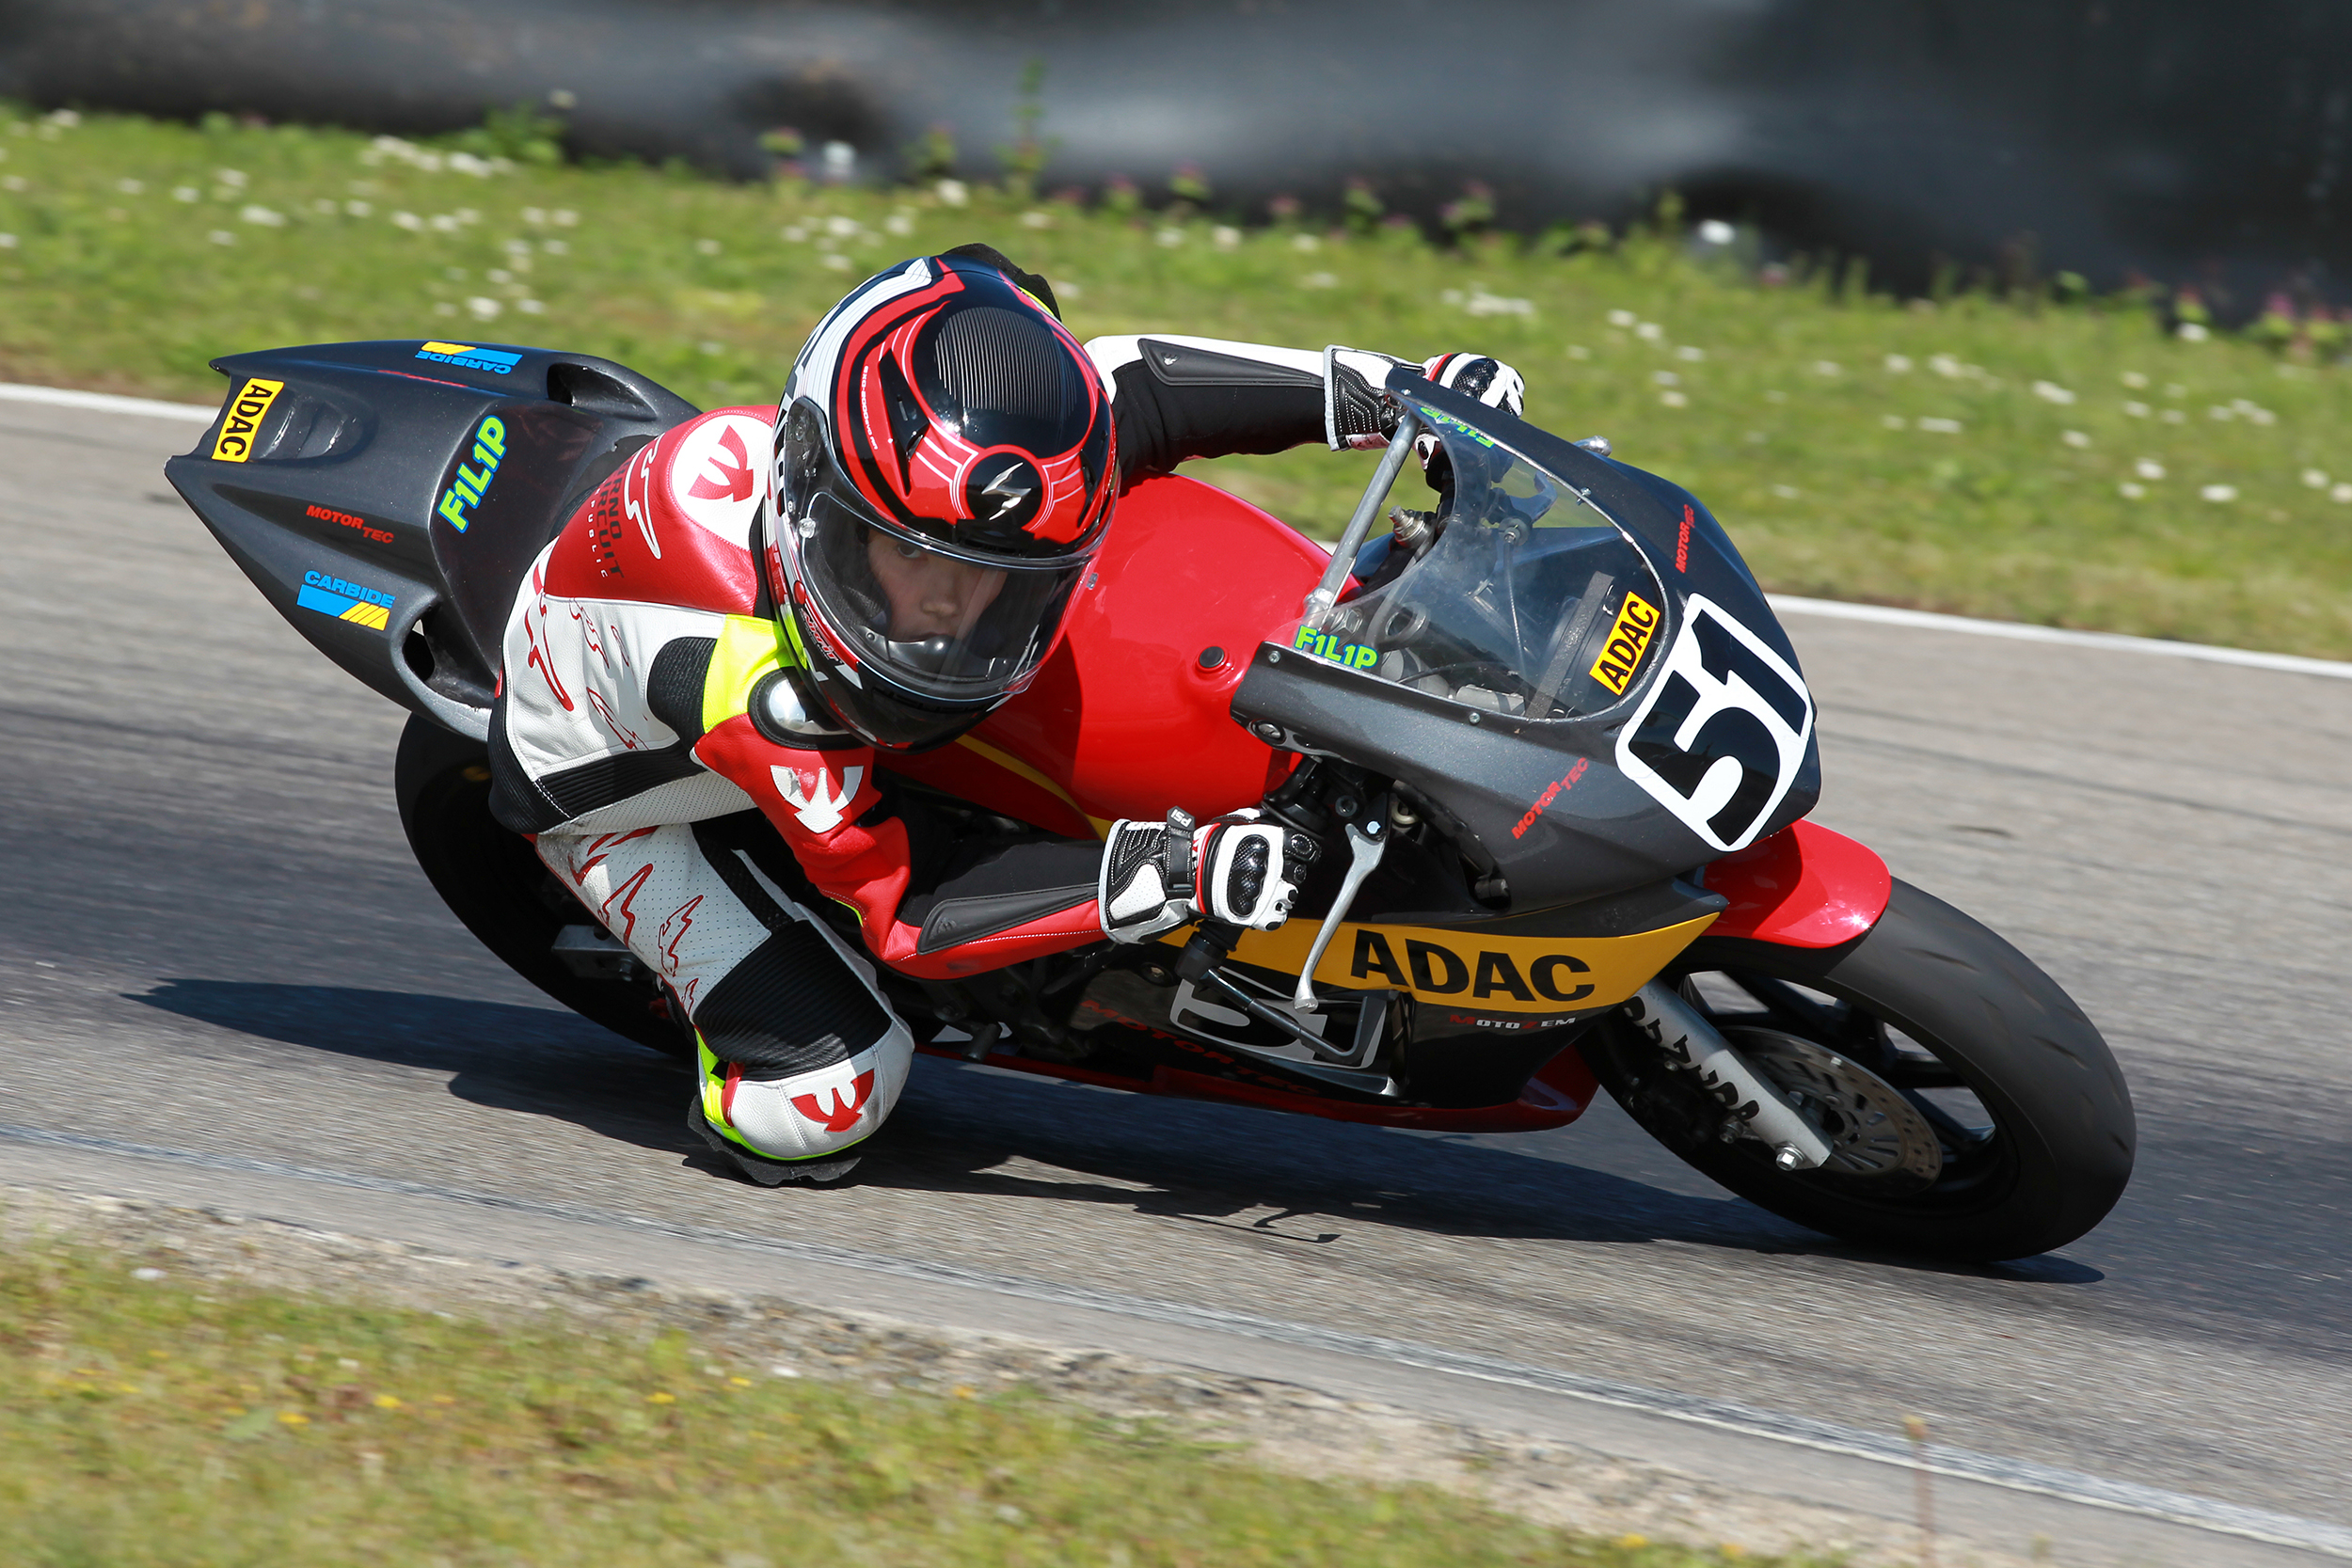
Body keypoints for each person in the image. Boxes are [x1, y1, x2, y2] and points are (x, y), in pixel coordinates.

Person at [488, 244, 1525, 1185]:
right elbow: (907, 912)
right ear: (822, 512)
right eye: (918, 564)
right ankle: (743, 1061)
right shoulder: (762, 691)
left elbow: (1132, 383)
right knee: (830, 1094)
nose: (957, 607)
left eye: (994, 580)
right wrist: (1171, 870)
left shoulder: (889, 470)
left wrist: (1407, 395)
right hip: (615, 793)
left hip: (779, 632)